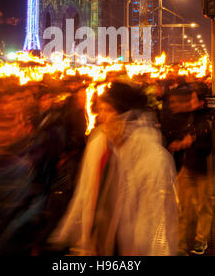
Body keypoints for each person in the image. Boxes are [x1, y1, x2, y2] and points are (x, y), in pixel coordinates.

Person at [48, 81, 179, 256]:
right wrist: (64, 234)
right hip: (97, 244)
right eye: (100, 109)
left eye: (107, 110)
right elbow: (84, 193)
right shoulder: (98, 144)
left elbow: (158, 220)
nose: (100, 117)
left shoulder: (153, 159)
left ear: (128, 117)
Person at [168, 86, 213, 255]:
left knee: (203, 206)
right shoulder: (189, 116)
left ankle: (201, 240)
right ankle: (179, 245)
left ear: (201, 102)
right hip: (188, 167)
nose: (189, 102)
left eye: (193, 99)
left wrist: (190, 141)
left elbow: (206, 143)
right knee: (181, 207)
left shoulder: (207, 119)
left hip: (203, 170)